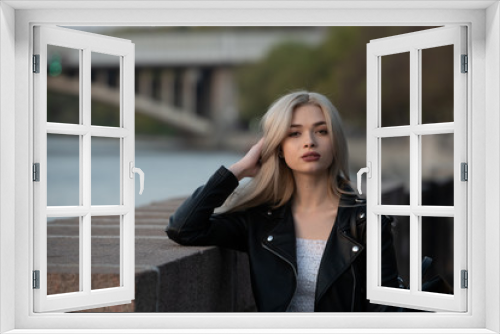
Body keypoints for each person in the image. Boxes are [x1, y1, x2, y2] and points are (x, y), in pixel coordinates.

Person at [165, 91, 399, 312]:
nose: (309, 141)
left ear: (335, 142)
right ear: (278, 147)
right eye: (294, 133)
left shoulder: (365, 221)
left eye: (322, 131)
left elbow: (384, 309)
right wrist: (239, 170)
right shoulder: (260, 219)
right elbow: (184, 228)